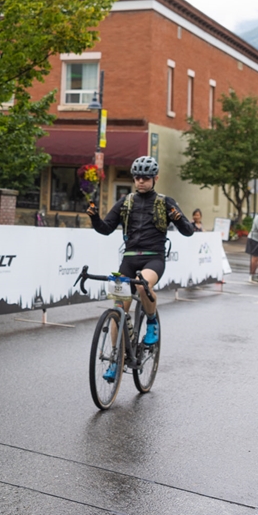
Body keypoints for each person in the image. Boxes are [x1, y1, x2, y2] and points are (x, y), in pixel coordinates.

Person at [87, 156, 196, 378]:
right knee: (119, 307)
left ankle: (152, 321)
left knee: (142, 285)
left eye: (145, 178)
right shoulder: (125, 201)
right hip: (129, 259)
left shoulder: (166, 202)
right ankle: (116, 360)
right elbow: (106, 228)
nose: (140, 182)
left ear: (155, 178)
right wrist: (95, 218)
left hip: (153, 258)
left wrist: (178, 219)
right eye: (137, 177)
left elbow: (188, 231)